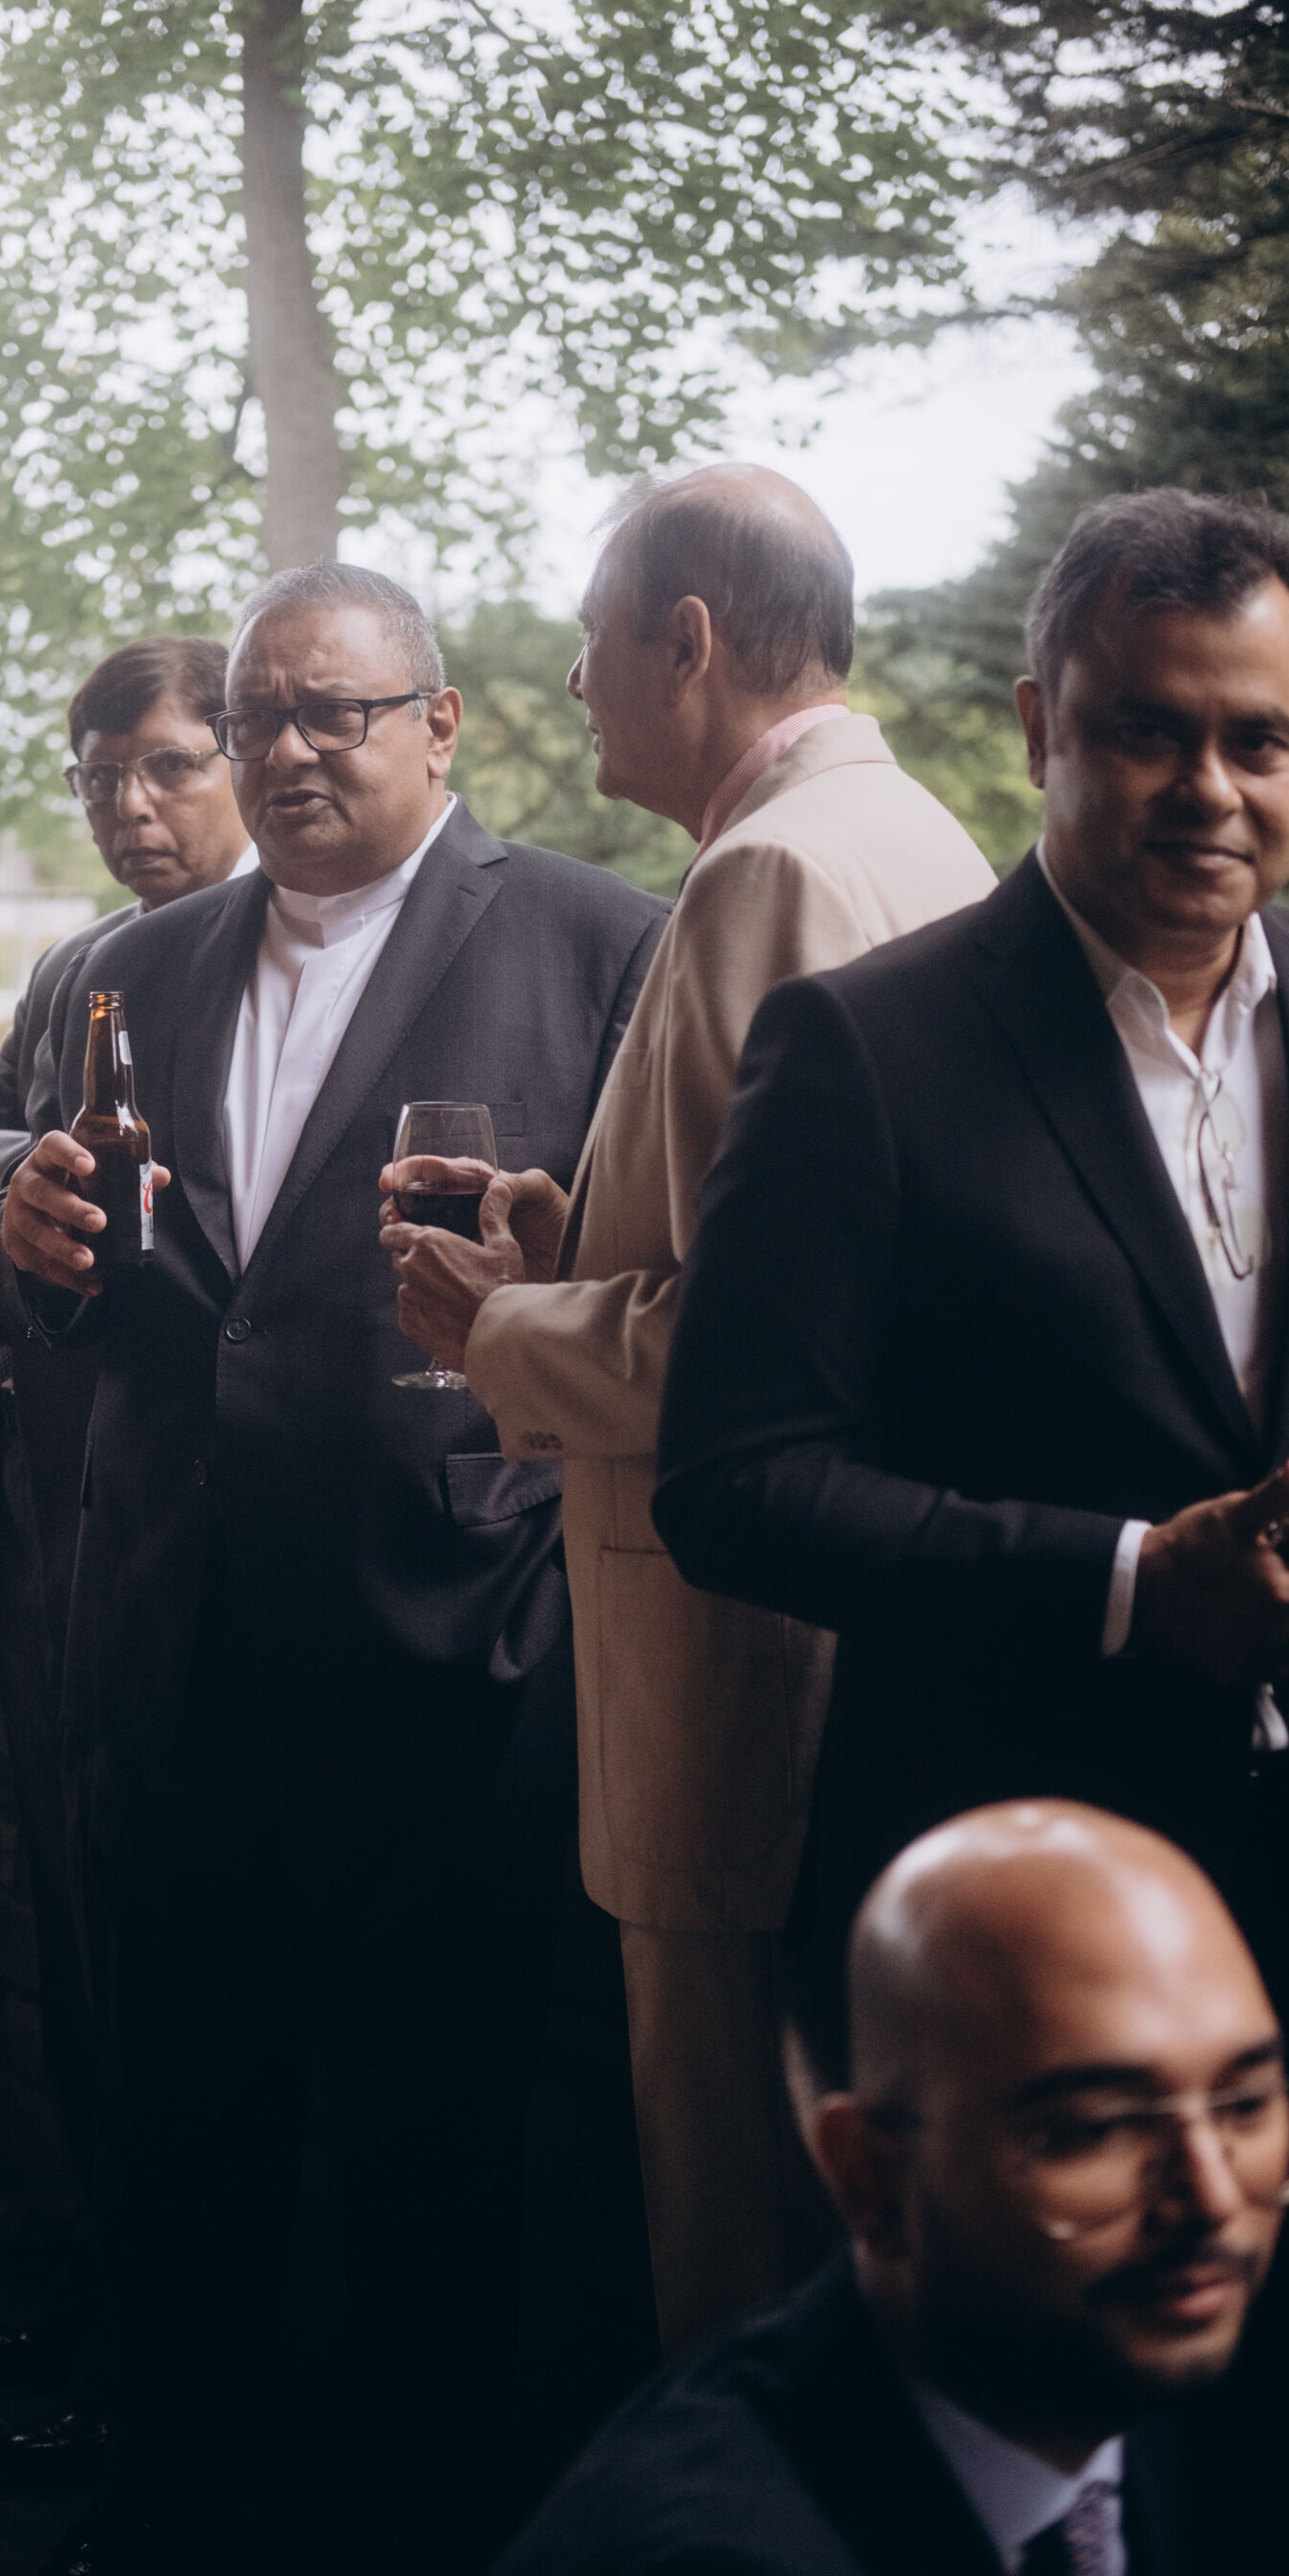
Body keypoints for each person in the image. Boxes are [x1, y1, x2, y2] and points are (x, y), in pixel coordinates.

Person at [0, 561, 667, 2576]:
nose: (283, 750)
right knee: (179, 2143)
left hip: (446, 1662)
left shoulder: (599, 945)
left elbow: (667, 1292)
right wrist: (13, 1213)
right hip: (169, 1654)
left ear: (437, 726)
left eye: (330, 713)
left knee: (431, 2185)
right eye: (257, 717)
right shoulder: (135, 966)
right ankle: (163, 2527)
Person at [380, 467, 994, 2352]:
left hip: (740, 1677)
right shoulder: (920, 836)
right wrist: (580, 1234)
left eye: (594, 637)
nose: (575, 678)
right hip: (870, 1662)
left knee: (738, 2245)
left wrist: (503, 1327)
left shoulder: (767, 873)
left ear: (691, 642)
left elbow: (780, 1348)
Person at [653, 490, 1289, 2085]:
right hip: (1004, 1913)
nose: (1210, 789)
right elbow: (735, 1487)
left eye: (1262, 741)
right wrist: (1128, 1579)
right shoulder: (863, 1048)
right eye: (1148, 730)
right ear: (1039, 729)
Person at [445, 1800, 1289, 2576]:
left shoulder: (1123, 2351)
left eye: (1246, 2105)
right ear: (868, 2177)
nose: (1212, 2200)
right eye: (1090, 2131)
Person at [0, 635, 254, 2474]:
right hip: (56, 1531)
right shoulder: (74, 974)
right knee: (74, 1933)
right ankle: (111, 2312)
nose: (131, 805)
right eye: (101, 774)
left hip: (235, 1558)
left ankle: (194, 2374)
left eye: (168, 765)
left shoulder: (295, 972)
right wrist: (15, 1187)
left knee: (212, 1982)